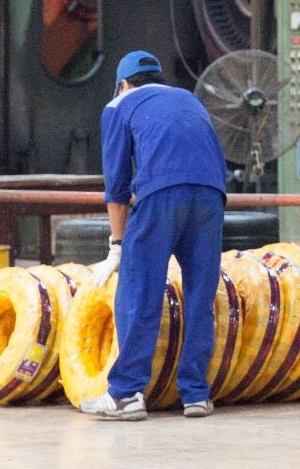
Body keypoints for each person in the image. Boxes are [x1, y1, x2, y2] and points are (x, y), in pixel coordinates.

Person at [80, 50, 230, 421]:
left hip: (162, 195)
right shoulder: (188, 98)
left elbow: (116, 186)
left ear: (123, 84)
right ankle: (196, 395)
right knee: (200, 295)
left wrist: (117, 247)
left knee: (139, 291)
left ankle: (127, 394)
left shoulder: (119, 105)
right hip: (211, 194)